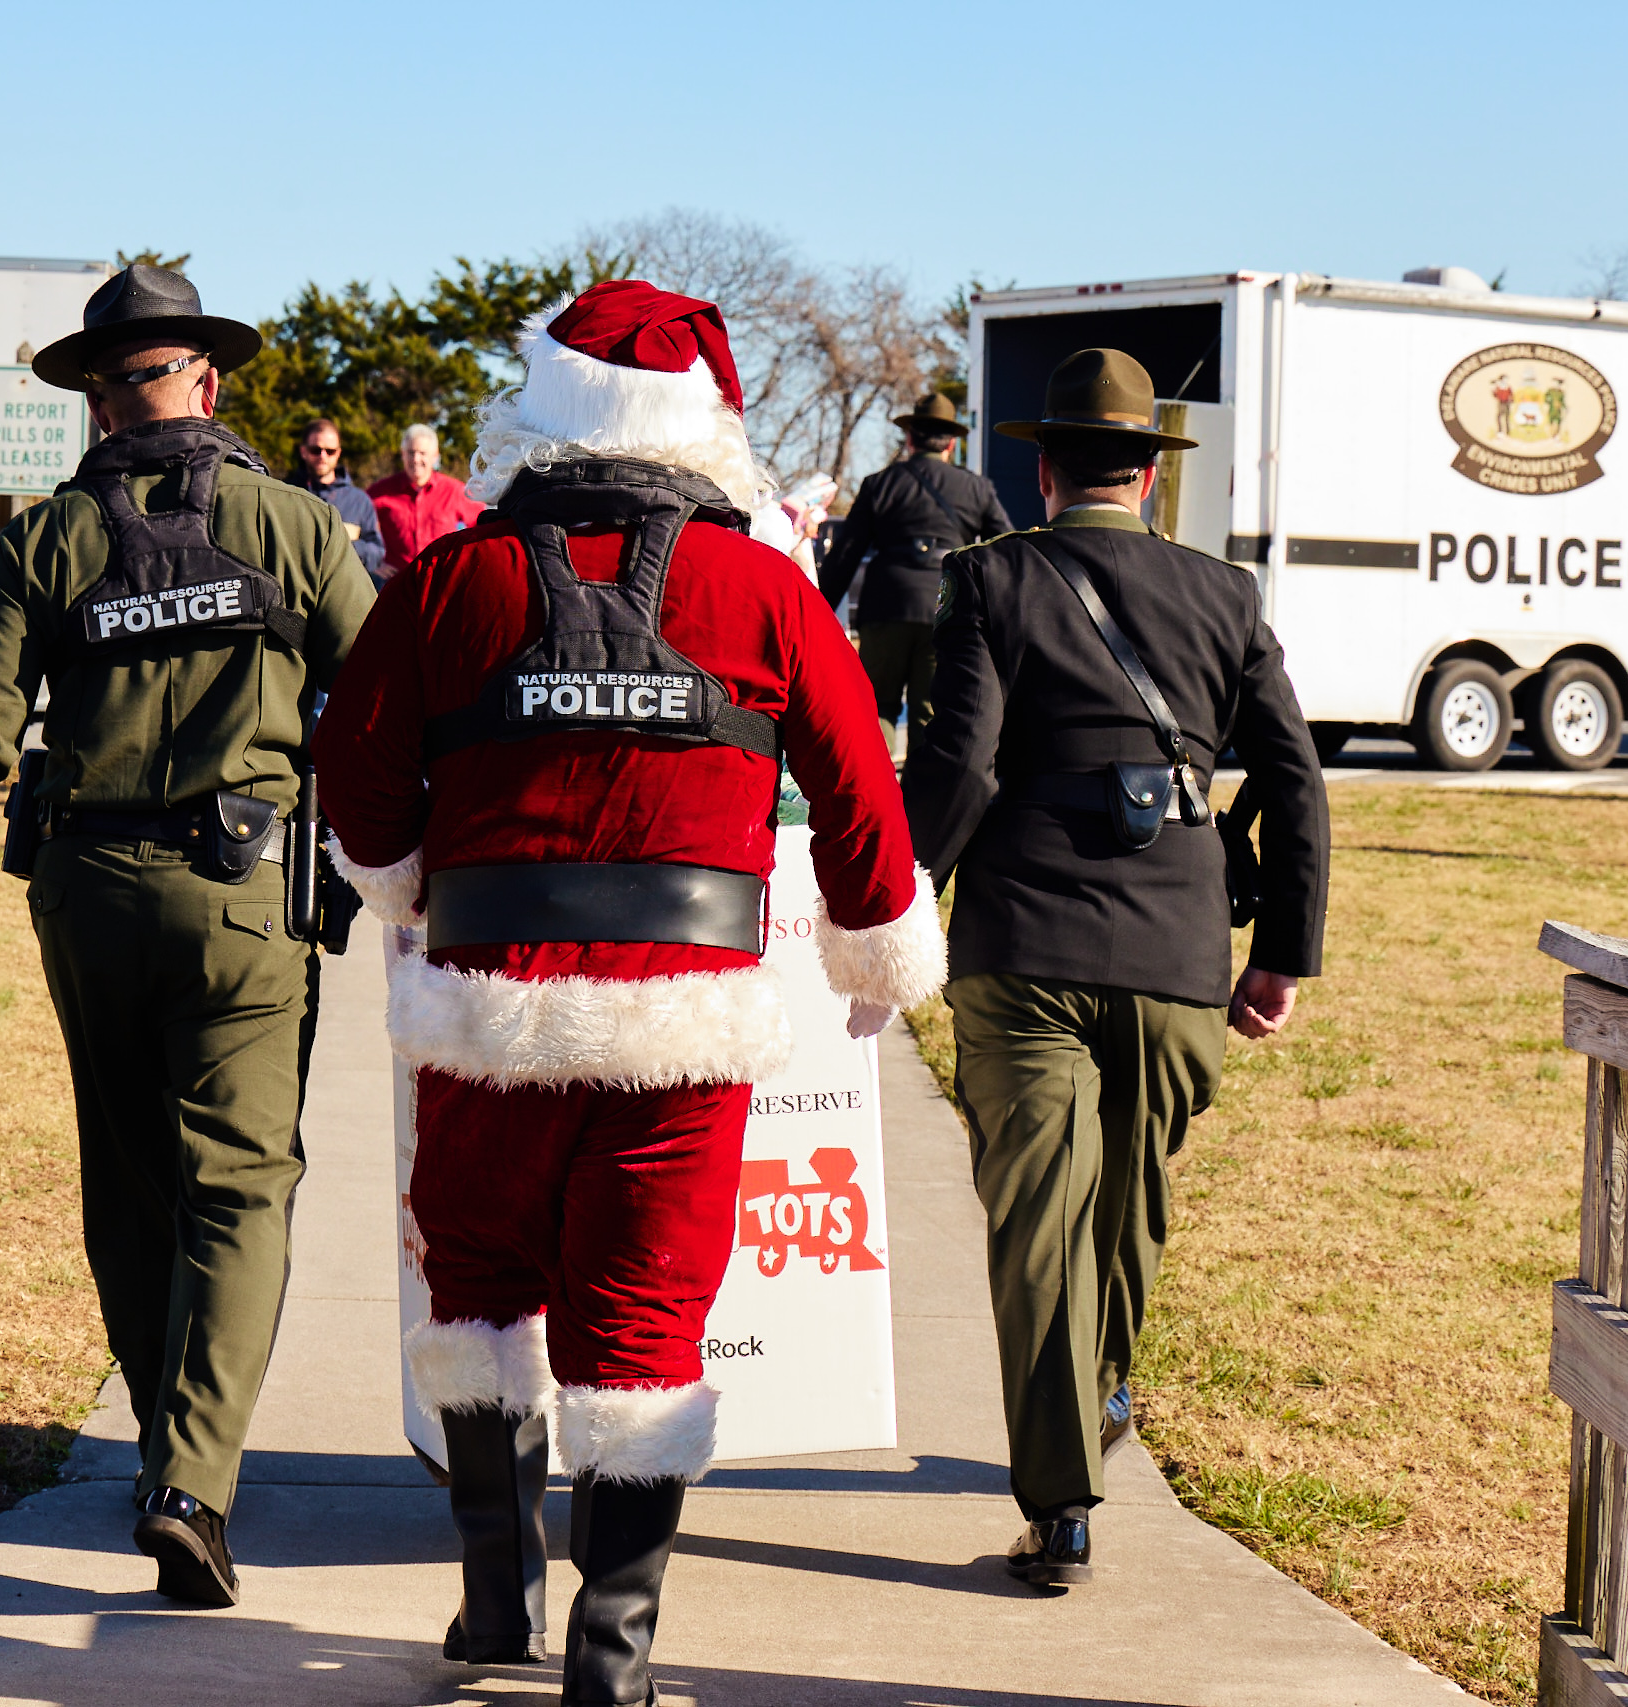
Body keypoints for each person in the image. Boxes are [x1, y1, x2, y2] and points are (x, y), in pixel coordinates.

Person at [315, 279, 943, 1701]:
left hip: (483, 1015)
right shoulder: (766, 588)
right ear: (701, 428)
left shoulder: (449, 581)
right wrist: (877, 946)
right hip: (685, 1031)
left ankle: (493, 1605)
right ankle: (614, 1657)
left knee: (474, 1296)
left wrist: (411, 875)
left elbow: (352, 774)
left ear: (541, 414)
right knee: (644, 1321)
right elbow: (860, 794)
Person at [0, 263, 373, 1608]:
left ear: (98, 400)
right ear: (207, 380)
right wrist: (399, 871)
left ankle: (160, 1453)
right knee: (241, 1184)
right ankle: (195, 1479)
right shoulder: (295, 525)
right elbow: (383, 707)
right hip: (248, 902)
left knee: (132, 1185)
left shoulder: (47, 539)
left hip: (88, 895)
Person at [900, 347, 1328, 1591]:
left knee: (1039, 1223)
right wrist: (1282, 953)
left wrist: (897, 898)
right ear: (1148, 472)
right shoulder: (1228, 596)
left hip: (1021, 942)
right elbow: (1293, 778)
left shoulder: (986, 581)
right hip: (1176, 950)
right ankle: (1090, 1407)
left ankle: (1059, 1501)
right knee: (1128, 1206)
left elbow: (962, 765)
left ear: (1043, 469)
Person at [818, 392, 1012, 759]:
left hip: (885, 604)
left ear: (910, 438)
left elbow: (845, 554)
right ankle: (923, 806)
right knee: (931, 711)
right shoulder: (976, 488)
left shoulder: (879, 483)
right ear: (951, 444)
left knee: (877, 707)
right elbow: (1003, 550)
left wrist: (819, 609)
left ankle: (880, 799)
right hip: (946, 607)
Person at [367, 421, 484, 580]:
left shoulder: (455, 491)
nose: (415, 459)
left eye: (422, 453)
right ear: (402, 454)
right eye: (410, 452)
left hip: (440, 582)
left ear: (435, 456)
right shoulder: (380, 492)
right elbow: (358, 530)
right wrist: (372, 564)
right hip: (395, 585)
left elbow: (482, 528)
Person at [289, 417, 386, 582]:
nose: (323, 456)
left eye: (330, 451)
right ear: (303, 451)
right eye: (315, 450)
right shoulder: (287, 493)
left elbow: (376, 552)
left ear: (338, 453)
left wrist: (339, 547)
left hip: (345, 589)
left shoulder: (359, 500)